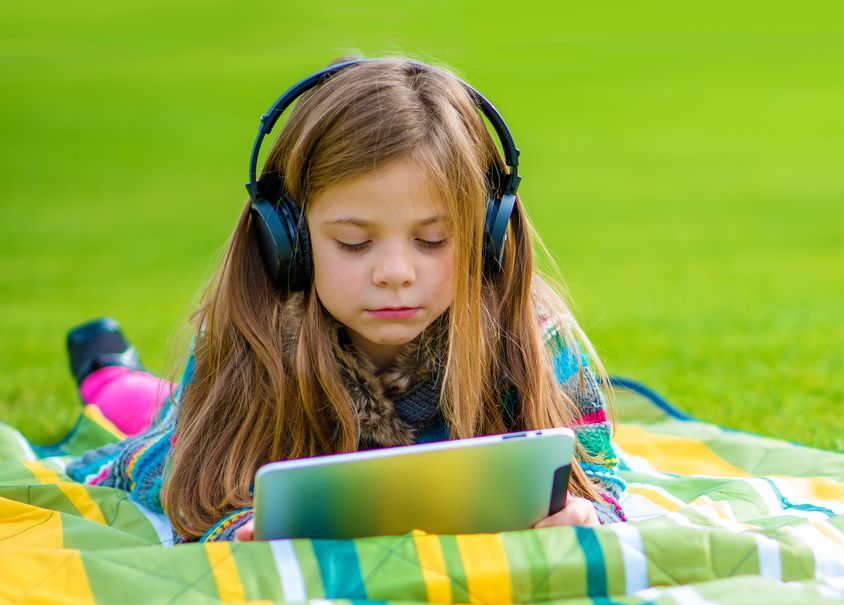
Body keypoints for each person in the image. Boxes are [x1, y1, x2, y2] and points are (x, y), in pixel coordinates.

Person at [65, 55, 626, 542]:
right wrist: (233, 528)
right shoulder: (252, 334)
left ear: (488, 235)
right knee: (142, 416)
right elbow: (187, 482)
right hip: (176, 417)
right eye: (354, 242)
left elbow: (601, 480)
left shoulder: (534, 336)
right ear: (287, 238)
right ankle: (108, 375)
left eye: (433, 240)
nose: (395, 273)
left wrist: (587, 515)